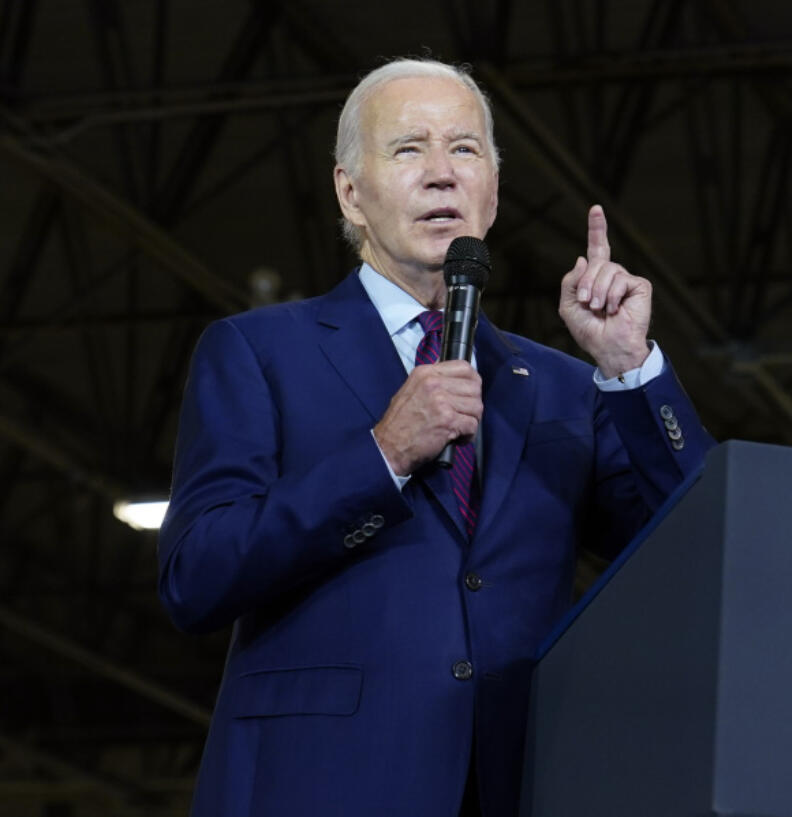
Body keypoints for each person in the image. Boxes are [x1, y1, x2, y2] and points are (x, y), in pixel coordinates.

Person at [157, 57, 714, 817]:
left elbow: (698, 543)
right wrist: (382, 453)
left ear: (492, 190)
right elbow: (196, 572)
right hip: (320, 783)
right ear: (350, 193)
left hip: (515, 780)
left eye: (465, 149)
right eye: (409, 149)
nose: (442, 173)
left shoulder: (560, 385)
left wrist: (628, 367)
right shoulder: (258, 351)